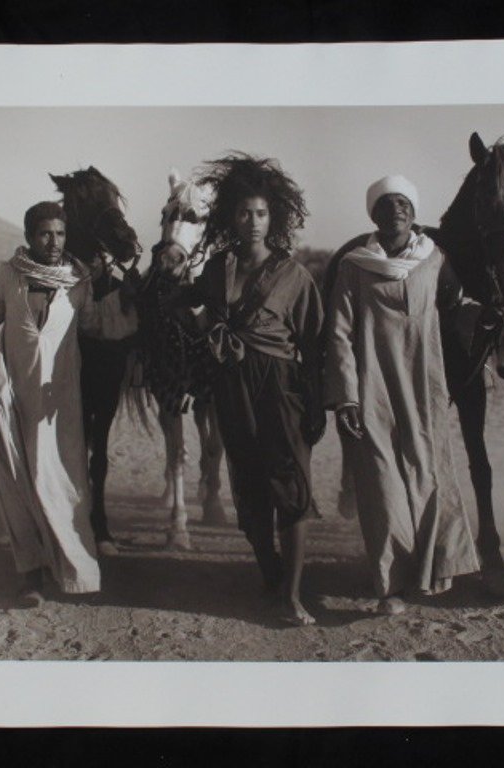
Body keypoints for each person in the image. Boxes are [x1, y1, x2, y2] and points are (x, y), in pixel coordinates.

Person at [0, 201, 137, 602]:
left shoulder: (78, 281)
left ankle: (74, 572)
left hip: (60, 404)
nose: (54, 242)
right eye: (45, 234)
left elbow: (96, 322)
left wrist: (130, 301)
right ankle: (30, 575)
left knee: (64, 485)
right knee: (17, 485)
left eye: (61, 233)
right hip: (14, 398)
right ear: (30, 236)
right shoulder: (8, 276)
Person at [324, 175, 480, 615]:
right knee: (381, 485)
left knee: (429, 476)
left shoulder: (435, 260)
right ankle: (389, 587)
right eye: (386, 204)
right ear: (373, 213)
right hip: (371, 388)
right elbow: (338, 334)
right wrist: (346, 397)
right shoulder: (354, 265)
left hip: (423, 386)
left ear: (414, 212)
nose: (395, 209)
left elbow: (456, 310)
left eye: (403, 203)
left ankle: (432, 571)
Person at [187, 153, 325, 626]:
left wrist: (316, 403)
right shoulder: (214, 271)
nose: (252, 222)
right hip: (231, 388)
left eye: (262, 213)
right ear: (230, 215)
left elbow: (314, 343)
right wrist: (197, 319)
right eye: (244, 212)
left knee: (289, 486)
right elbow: (189, 313)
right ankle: (270, 574)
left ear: (275, 217)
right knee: (247, 490)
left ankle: (291, 595)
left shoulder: (294, 276)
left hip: (280, 388)